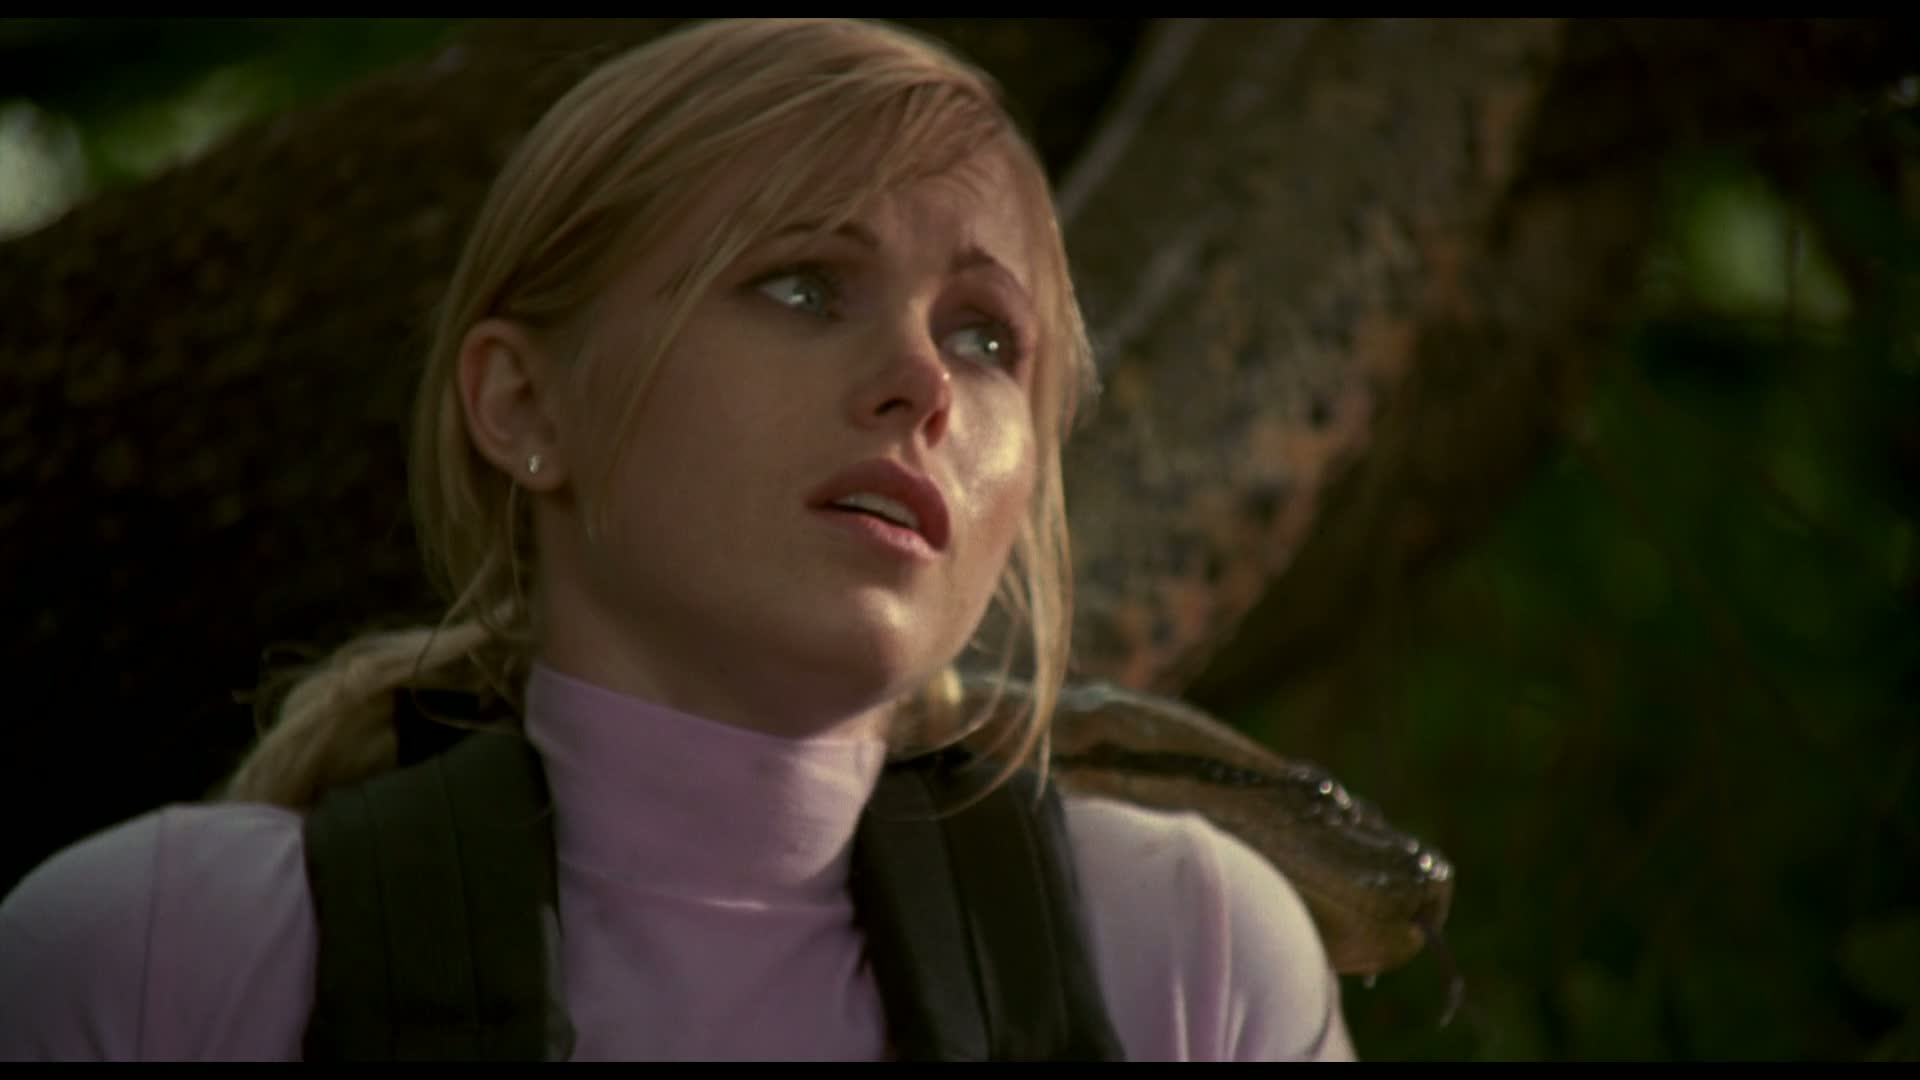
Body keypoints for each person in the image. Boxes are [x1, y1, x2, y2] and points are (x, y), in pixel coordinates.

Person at [0, 18, 1354, 1061]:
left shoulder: (1190, 958)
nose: (923, 383)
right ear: (524, 404)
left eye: (986, 337)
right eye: (803, 286)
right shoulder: (153, 956)